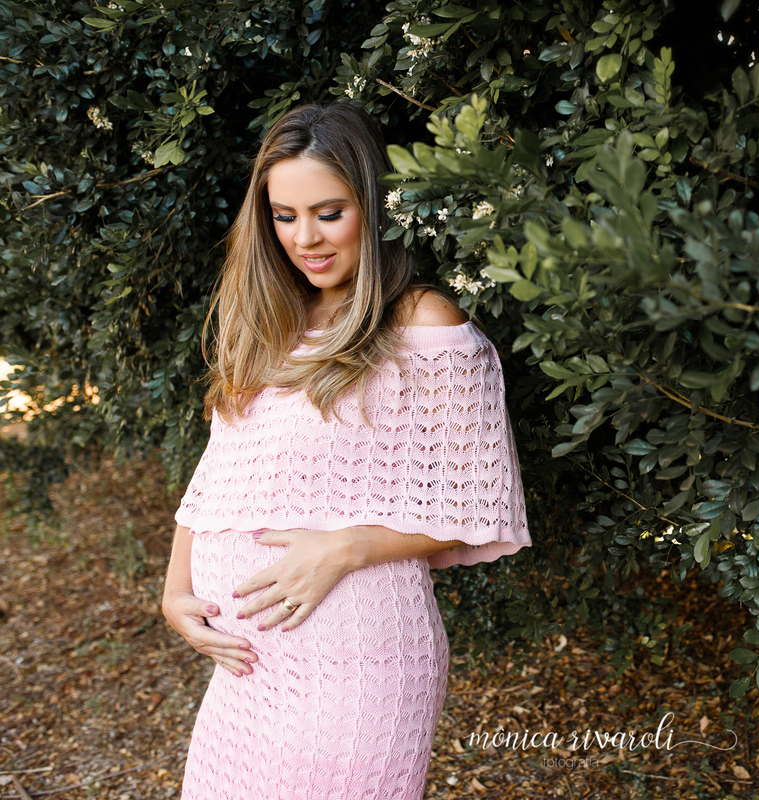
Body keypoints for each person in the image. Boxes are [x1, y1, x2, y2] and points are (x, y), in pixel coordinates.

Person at [161, 102, 530, 800]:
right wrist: (175, 589)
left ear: (373, 204)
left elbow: (480, 503)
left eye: (330, 213)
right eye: (285, 216)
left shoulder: (424, 324)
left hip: (357, 658)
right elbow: (219, 474)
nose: (306, 238)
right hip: (245, 668)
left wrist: (343, 548)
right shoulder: (270, 323)